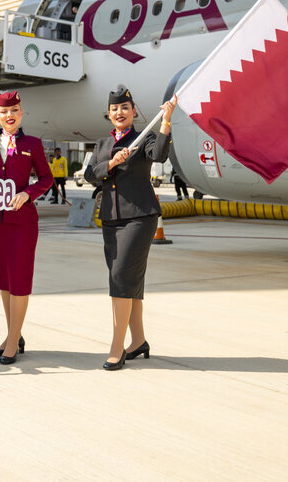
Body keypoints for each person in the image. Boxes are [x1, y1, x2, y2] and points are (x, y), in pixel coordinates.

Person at [85, 85, 175, 371]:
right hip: (111, 218)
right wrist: (111, 162)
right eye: (114, 109)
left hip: (139, 217)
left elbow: (159, 155)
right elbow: (90, 175)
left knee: (121, 277)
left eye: (125, 108)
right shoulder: (101, 145)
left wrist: (165, 122)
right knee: (126, 279)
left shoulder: (143, 137)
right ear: (109, 115)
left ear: (133, 111)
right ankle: (138, 341)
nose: (119, 113)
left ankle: (117, 347)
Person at [0, 91, 54, 364]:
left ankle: (12, 341)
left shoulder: (32, 143)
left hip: (21, 222)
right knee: (3, 279)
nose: (10, 116)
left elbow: (47, 177)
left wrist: (29, 193)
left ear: (21, 113)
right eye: (4, 112)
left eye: (15, 110)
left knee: (19, 279)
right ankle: (14, 334)